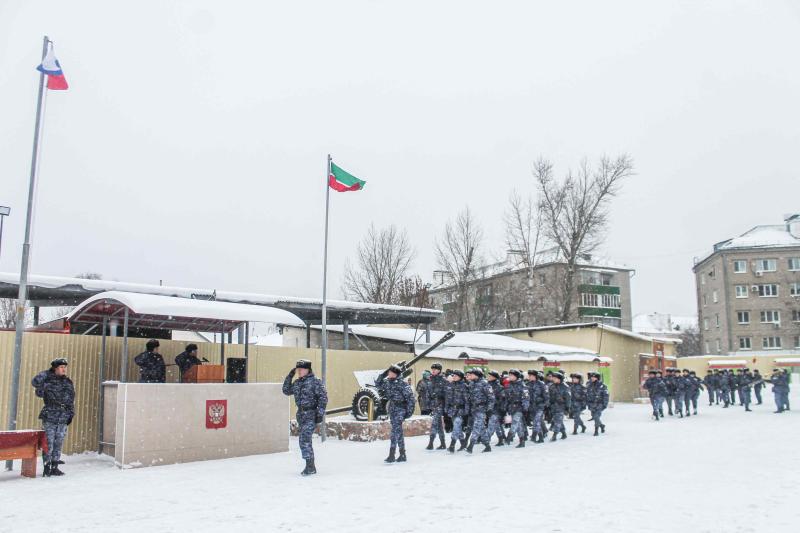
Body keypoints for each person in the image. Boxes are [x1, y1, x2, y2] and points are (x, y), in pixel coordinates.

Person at [282, 359, 328, 475]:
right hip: (301, 415)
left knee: (304, 440)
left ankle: (310, 467)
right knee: (304, 440)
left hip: (311, 414)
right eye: (298, 370)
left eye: (301, 369)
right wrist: (290, 376)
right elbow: (286, 391)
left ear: (307, 370)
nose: (299, 372)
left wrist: (320, 414)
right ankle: (310, 465)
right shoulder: (297, 383)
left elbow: (323, 398)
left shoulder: (315, 382)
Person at [31, 358, 75, 477]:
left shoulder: (68, 382)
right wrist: (48, 373)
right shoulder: (47, 381)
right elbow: (35, 383)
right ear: (55, 369)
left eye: (65, 367)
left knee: (58, 442)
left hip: (63, 416)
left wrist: (71, 413)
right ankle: (47, 467)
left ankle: (55, 467)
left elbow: (71, 399)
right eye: (61, 367)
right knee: (48, 443)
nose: (64, 369)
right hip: (50, 415)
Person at [376, 364, 416, 463]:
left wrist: (409, 412)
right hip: (393, 408)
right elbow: (378, 384)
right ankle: (398, 454)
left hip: (400, 409)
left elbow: (410, 399)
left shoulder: (403, 384)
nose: (388, 373)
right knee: (396, 432)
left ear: (395, 373)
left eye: (390, 372)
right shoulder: (387, 382)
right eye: (388, 372)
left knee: (395, 431)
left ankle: (395, 454)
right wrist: (383, 374)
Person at [465, 368, 495, 453]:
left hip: (481, 409)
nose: (470, 375)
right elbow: (469, 398)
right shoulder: (471, 384)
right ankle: (487, 446)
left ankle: (470, 445)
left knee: (476, 427)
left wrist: (489, 409)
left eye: (472, 374)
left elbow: (491, 398)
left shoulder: (485, 384)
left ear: (477, 375)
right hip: (473, 409)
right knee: (481, 429)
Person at [445, 370, 470, 453]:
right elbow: (448, 398)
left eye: (455, 376)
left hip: (460, 410)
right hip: (452, 410)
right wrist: (447, 408)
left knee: (456, 427)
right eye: (453, 376)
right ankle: (463, 443)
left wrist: (466, 411)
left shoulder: (464, 386)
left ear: (460, 377)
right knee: (458, 428)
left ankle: (452, 445)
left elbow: (467, 400)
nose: (454, 377)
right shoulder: (451, 385)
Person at [504, 369, 529, 448]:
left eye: (511, 375)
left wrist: (525, 407)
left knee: (515, 422)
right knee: (519, 425)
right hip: (511, 407)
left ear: (516, 376)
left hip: (519, 407)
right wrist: (505, 407)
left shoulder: (522, 385)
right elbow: (506, 398)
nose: (509, 377)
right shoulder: (509, 385)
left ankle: (509, 436)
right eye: (509, 375)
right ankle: (522, 441)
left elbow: (526, 398)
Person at [425, 364, 448, 450]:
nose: (433, 370)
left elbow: (447, 394)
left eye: (435, 369)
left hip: (440, 404)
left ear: (439, 370)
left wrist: (445, 406)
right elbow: (427, 394)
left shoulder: (443, 380)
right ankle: (443, 443)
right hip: (433, 405)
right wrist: (428, 405)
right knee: (439, 425)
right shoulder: (430, 380)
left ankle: (431, 443)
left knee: (434, 424)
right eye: (432, 369)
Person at [547, 372, 571, 441]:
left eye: (555, 378)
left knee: (557, 421)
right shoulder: (551, 386)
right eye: (553, 378)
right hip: (553, 407)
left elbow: (568, 398)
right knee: (558, 420)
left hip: (561, 407)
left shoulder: (565, 387)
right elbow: (549, 396)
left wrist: (567, 408)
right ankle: (564, 433)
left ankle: (555, 435)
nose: (553, 379)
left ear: (559, 379)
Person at [527, 370, 548, 443]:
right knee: (536, 421)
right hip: (531, 406)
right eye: (529, 375)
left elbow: (546, 396)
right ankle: (538, 433)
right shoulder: (528, 384)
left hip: (540, 406)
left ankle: (540, 437)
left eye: (531, 376)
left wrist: (545, 405)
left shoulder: (541, 384)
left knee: (537, 421)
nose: (529, 377)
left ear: (536, 376)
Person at [486, 370, 507, 446]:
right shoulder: (487, 386)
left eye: (490, 376)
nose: (488, 377)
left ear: (494, 377)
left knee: (491, 425)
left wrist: (502, 410)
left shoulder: (499, 387)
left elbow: (502, 400)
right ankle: (501, 439)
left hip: (496, 409)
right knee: (497, 425)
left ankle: (486, 441)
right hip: (489, 409)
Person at [586, 372, 609, 436]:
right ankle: (601, 426)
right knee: (594, 417)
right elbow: (586, 394)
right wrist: (587, 403)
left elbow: (606, 396)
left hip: (599, 404)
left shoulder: (602, 386)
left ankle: (596, 431)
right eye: (591, 377)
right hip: (591, 404)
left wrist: (605, 404)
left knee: (596, 417)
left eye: (594, 377)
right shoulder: (589, 385)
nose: (592, 378)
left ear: (597, 378)